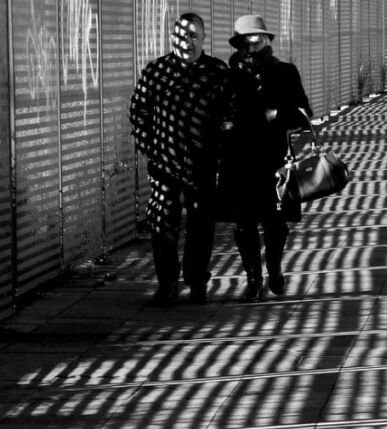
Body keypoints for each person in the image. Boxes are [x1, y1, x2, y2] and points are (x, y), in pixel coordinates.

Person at [129, 13, 231, 305]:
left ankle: (197, 281)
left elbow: (230, 114)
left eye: (192, 36)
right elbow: (139, 112)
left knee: (201, 224)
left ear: (202, 38)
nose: (185, 42)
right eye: (180, 36)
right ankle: (167, 284)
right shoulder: (156, 72)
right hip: (164, 165)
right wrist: (151, 147)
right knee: (162, 223)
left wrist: (221, 150)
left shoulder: (216, 72)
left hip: (203, 163)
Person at [223, 15, 312, 301]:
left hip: (275, 160)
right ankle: (253, 279)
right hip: (238, 159)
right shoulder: (229, 75)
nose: (253, 43)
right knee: (244, 222)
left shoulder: (285, 72)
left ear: (267, 39)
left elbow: (303, 114)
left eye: (258, 37)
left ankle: (273, 269)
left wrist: (277, 115)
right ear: (238, 42)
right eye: (247, 38)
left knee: (275, 222)